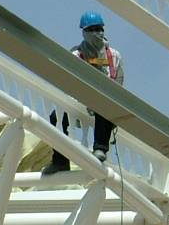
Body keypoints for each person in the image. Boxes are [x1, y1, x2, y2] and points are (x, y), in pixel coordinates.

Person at [42, 10, 125, 175]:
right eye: (93, 29)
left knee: (105, 105)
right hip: (80, 100)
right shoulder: (76, 54)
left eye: (100, 29)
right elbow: (70, 80)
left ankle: (100, 148)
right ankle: (60, 160)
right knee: (56, 118)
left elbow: (119, 80)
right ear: (85, 32)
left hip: (103, 101)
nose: (98, 33)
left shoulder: (113, 55)